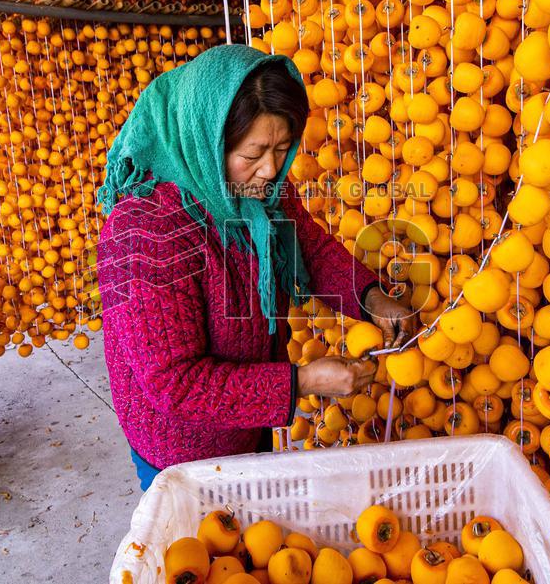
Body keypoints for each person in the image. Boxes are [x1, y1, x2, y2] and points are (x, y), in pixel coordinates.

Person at [97, 45, 415, 491]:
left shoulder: (259, 194)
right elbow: (175, 383)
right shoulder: (143, 231)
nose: (269, 169)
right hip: (182, 456)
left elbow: (311, 248)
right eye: (254, 153)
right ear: (207, 140)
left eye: (282, 149)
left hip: (250, 425)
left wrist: (370, 297)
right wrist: (301, 382)